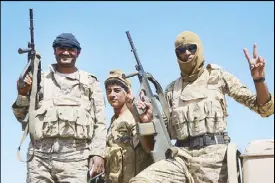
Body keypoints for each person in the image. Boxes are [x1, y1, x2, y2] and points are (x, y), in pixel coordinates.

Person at [128, 31, 274, 183]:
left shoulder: (218, 76)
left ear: (199, 48)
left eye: (191, 48)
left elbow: (264, 109)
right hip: (181, 158)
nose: (187, 53)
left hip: (215, 160)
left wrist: (259, 79)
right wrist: (146, 120)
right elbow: (157, 141)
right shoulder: (172, 90)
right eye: (181, 50)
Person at [12, 33, 107, 183]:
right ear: (54, 51)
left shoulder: (90, 82)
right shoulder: (39, 80)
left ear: (78, 53)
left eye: (71, 49)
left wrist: (98, 153)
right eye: (61, 48)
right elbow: (21, 117)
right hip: (39, 158)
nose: (66, 52)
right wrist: (22, 94)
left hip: (76, 158)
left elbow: (100, 122)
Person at [104, 70, 153, 183]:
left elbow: (148, 147)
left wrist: (139, 118)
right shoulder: (113, 121)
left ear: (127, 93)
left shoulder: (134, 117)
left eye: (117, 90)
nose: (112, 94)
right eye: (108, 91)